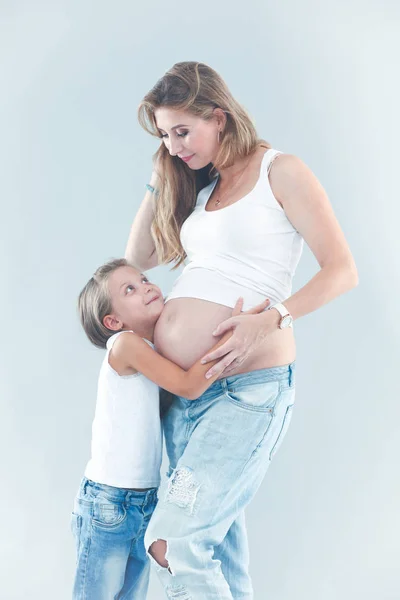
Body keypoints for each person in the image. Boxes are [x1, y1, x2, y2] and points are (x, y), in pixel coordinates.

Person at [125, 61, 358, 599]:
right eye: (165, 135)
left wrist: (272, 317)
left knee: (173, 543)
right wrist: (161, 175)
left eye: (183, 131)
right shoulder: (201, 193)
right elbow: (137, 256)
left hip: (245, 393)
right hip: (183, 398)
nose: (176, 144)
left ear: (220, 117)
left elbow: (342, 269)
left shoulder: (282, 171)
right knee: (220, 558)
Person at [71, 258, 266, 600]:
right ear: (113, 321)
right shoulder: (125, 345)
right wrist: (233, 340)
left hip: (141, 502)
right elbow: (189, 387)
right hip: (107, 504)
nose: (146, 286)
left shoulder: (150, 353)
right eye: (129, 289)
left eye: (143, 279)